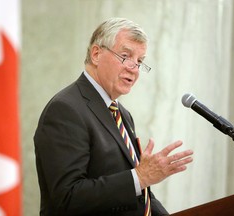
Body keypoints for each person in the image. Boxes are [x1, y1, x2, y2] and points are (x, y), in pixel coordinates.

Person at [34, 17, 193, 216]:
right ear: (96, 54)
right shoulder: (65, 109)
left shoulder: (121, 113)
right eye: (125, 56)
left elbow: (140, 194)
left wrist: (142, 180)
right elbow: (68, 197)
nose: (134, 68)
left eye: (140, 61)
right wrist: (140, 176)